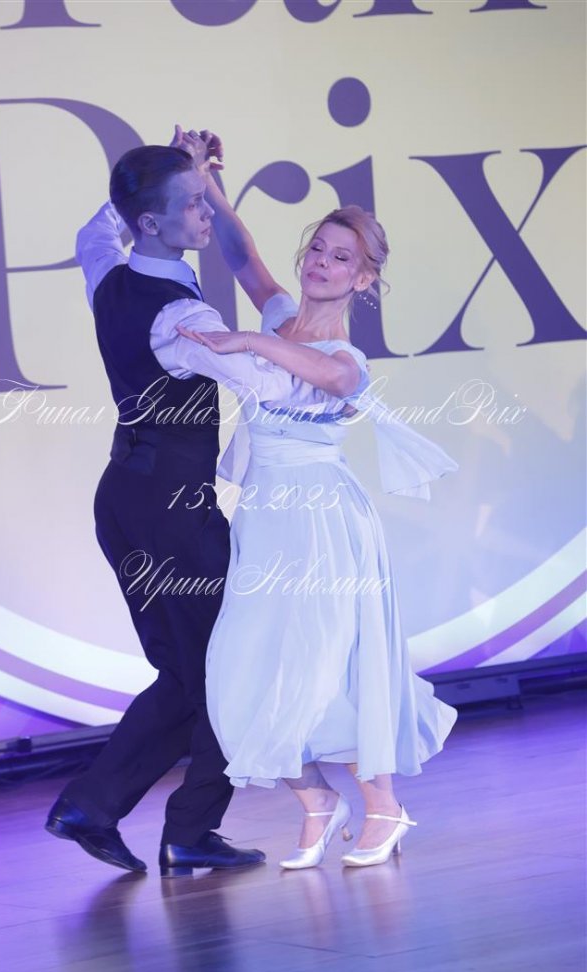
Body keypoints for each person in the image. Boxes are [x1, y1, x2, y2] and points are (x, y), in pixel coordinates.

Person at [45, 129, 338, 877]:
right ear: (151, 222)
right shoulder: (185, 320)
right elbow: (275, 386)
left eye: (205, 200)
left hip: (125, 502)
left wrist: (184, 167)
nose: (207, 213)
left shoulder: (109, 270)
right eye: (194, 204)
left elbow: (94, 231)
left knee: (188, 673)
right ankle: (182, 827)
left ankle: (98, 808)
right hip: (172, 516)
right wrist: (331, 363)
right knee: (224, 670)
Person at [168, 174, 459, 869]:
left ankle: (383, 806)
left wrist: (247, 341)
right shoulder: (278, 319)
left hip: (324, 523)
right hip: (265, 520)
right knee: (242, 665)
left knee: (328, 664)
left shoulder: (342, 356)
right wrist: (210, 186)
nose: (322, 263)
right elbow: (243, 257)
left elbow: (334, 380)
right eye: (318, 250)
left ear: (363, 279)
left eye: (341, 257)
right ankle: (317, 802)